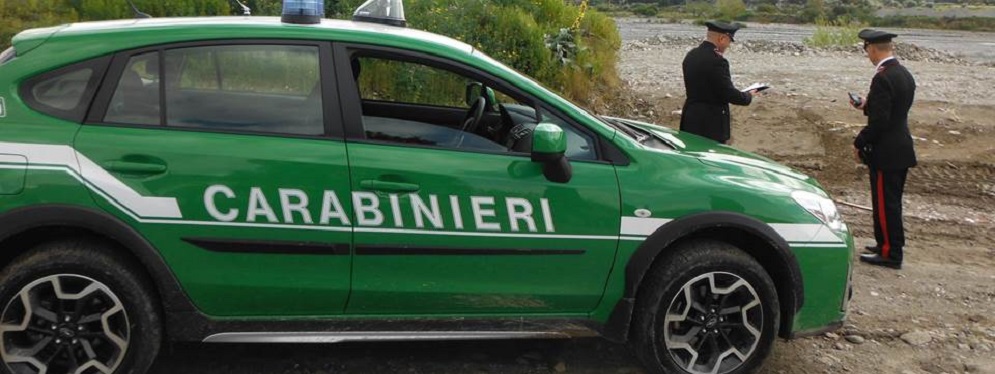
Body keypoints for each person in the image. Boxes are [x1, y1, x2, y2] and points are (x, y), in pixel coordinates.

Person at [849, 29, 917, 270]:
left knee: (886, 204)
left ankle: (890, 253)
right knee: (889, 202)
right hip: (900, 146)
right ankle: (885, 243)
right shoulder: (903, 73)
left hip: (887, 151)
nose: (867, 53)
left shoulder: (882, 77)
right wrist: (866, 106)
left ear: (873, 48)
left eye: (866, 49)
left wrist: (859, 142)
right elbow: (892, 110)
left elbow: (880, 122)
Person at [680, 21, 757, 144]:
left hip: (690, 117)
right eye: (729, 41)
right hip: (711, 123)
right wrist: (748, 96)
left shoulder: (691, 55)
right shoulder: (717, 61)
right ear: (722, 38)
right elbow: (728, 93)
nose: (728, 46)